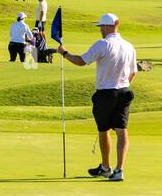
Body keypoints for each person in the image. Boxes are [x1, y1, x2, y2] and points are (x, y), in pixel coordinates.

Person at [57, 13, 138, 182]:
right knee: (121, 130)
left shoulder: (103, 44)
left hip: (105, 93)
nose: (100, 29)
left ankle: (106, 167)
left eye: (102, 26)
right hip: (124, 91)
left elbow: (81, 61)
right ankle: (119, 170)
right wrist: (122, 85)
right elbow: (133, 72)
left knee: (103, 129)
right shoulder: (129, 46)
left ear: (111, 26)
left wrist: (64, 53)